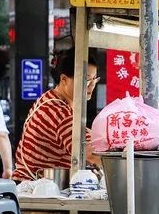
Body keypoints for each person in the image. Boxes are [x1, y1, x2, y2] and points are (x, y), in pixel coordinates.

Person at [14, 48, 101, 182]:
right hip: (35, 191)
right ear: (64, 79)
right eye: (87, 80)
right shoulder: (59, 112)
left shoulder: (49, 99)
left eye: (94, 80)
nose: (91, 86)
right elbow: (92, 153)